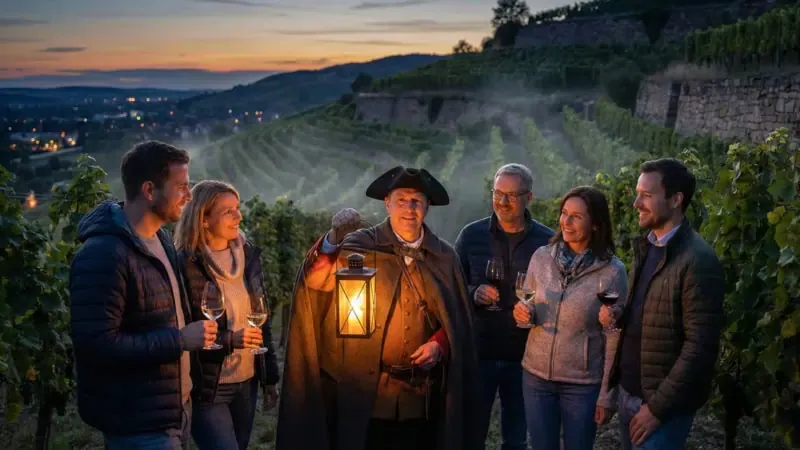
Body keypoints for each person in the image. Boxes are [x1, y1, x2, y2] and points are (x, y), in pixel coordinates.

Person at [275, 166, 481, 450]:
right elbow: (315, 282)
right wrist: (334, 238)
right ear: (387, 203)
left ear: (427, 206)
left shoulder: (443, 256)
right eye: (401, 200)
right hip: (366, 394)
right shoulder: (359, 246)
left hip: (421, 397)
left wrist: (440, 344)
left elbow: (457, 320)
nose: (409, 208)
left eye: (416, 201)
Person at [69, 140, 218, 449]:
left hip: (174, 409)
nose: (189, 196)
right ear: (149, 190)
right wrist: (180, 340)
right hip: (137, 422)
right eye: (181, 187)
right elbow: (97, 345)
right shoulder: (104, 254)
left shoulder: (162, 241)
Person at [604, 158, 724, 449]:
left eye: (646, 195)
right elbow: (650, 310)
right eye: (637, 194)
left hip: (659, 409)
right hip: (630, 394)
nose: (636, 204)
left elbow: (700, 347)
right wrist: (620, 314)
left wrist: (657, 409)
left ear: (676, 200)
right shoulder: (648, 246)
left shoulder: (698, 260)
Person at [512, 186, 627, 450]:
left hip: (582, 384)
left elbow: (614, 337)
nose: (566, 221)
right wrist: (523, 315)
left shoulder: (612, 271)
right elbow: (527, 310)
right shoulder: (541, 257)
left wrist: (606, 395)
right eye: (564, 213)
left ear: (595, 223)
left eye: (576, 216)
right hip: (536, 377)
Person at [453, 163, 553, 450]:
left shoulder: (547, 242)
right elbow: (451, 287)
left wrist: (536, 311)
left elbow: (558, 296)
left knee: (516, 439)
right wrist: (473, 293)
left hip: (525, 357)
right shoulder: (471, 236)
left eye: (511, 195)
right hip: (478, 353)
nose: (502, 201)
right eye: (498, 193)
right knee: (471, 435)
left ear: (529, 198)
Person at [174, 180, 281, 450]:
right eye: (228, 211)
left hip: (247, 380)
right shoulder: (185, 264)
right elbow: (184, 330)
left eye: (238, 208)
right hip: (208, 384)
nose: (239, 217)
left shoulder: (248, 256)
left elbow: (262, 320)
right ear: (204, 219)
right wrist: (231, 339)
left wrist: (269, 377)